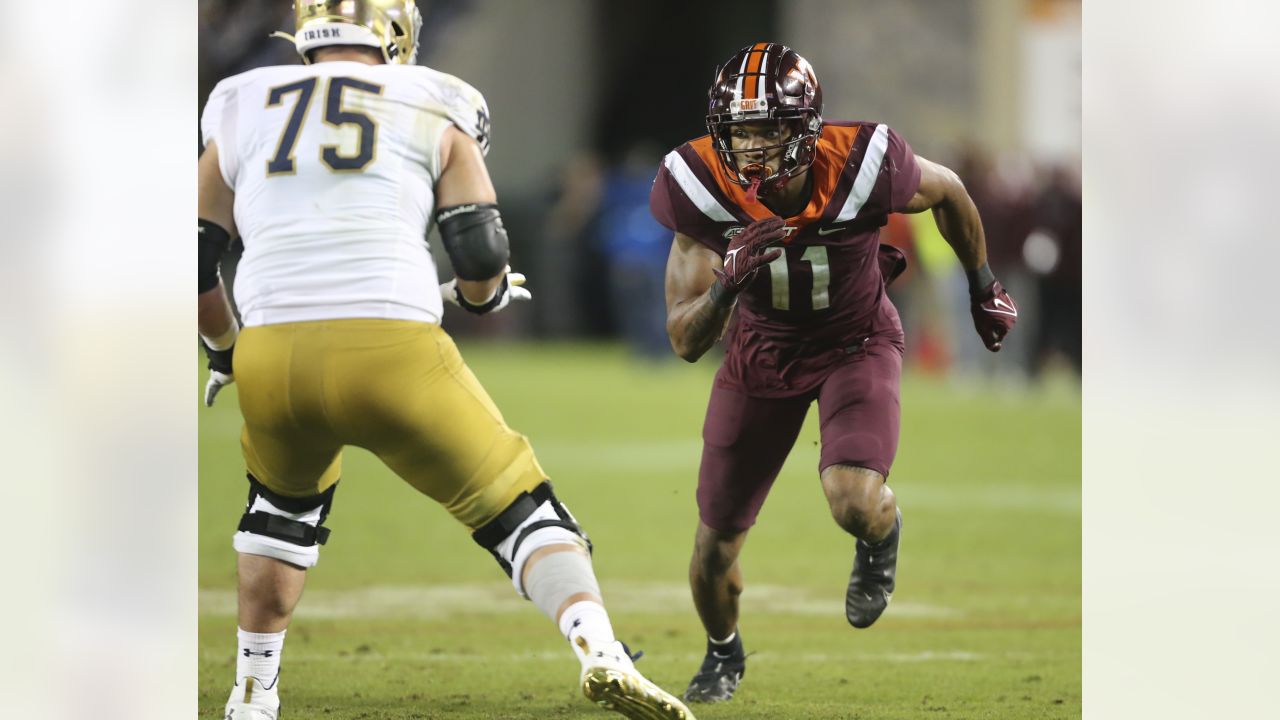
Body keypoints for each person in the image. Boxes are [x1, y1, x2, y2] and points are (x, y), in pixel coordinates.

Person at [198, 2, 694, 719]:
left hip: (274, 352)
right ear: (394, 32)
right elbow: (482, 248)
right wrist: (481, 298)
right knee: (522, 509)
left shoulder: (243, 101)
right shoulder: (432, 97)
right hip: (391, 345)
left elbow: (195, 257)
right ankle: (602, 653)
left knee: (277, 515)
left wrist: (226, 350)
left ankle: (252, 693)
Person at [648, 42, 1018, 704]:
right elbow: (682, 338)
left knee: (853, 498)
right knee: (713, 549)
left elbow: (951, 191)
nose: (752, 148)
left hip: (857, 340)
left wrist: (982, 285)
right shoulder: (697, 184)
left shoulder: (866, 161)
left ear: (804, 127)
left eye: (767, 130)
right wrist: (724, 290)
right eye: (740, 131)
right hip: (759, 353)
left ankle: (881, 533)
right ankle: (723, 652)